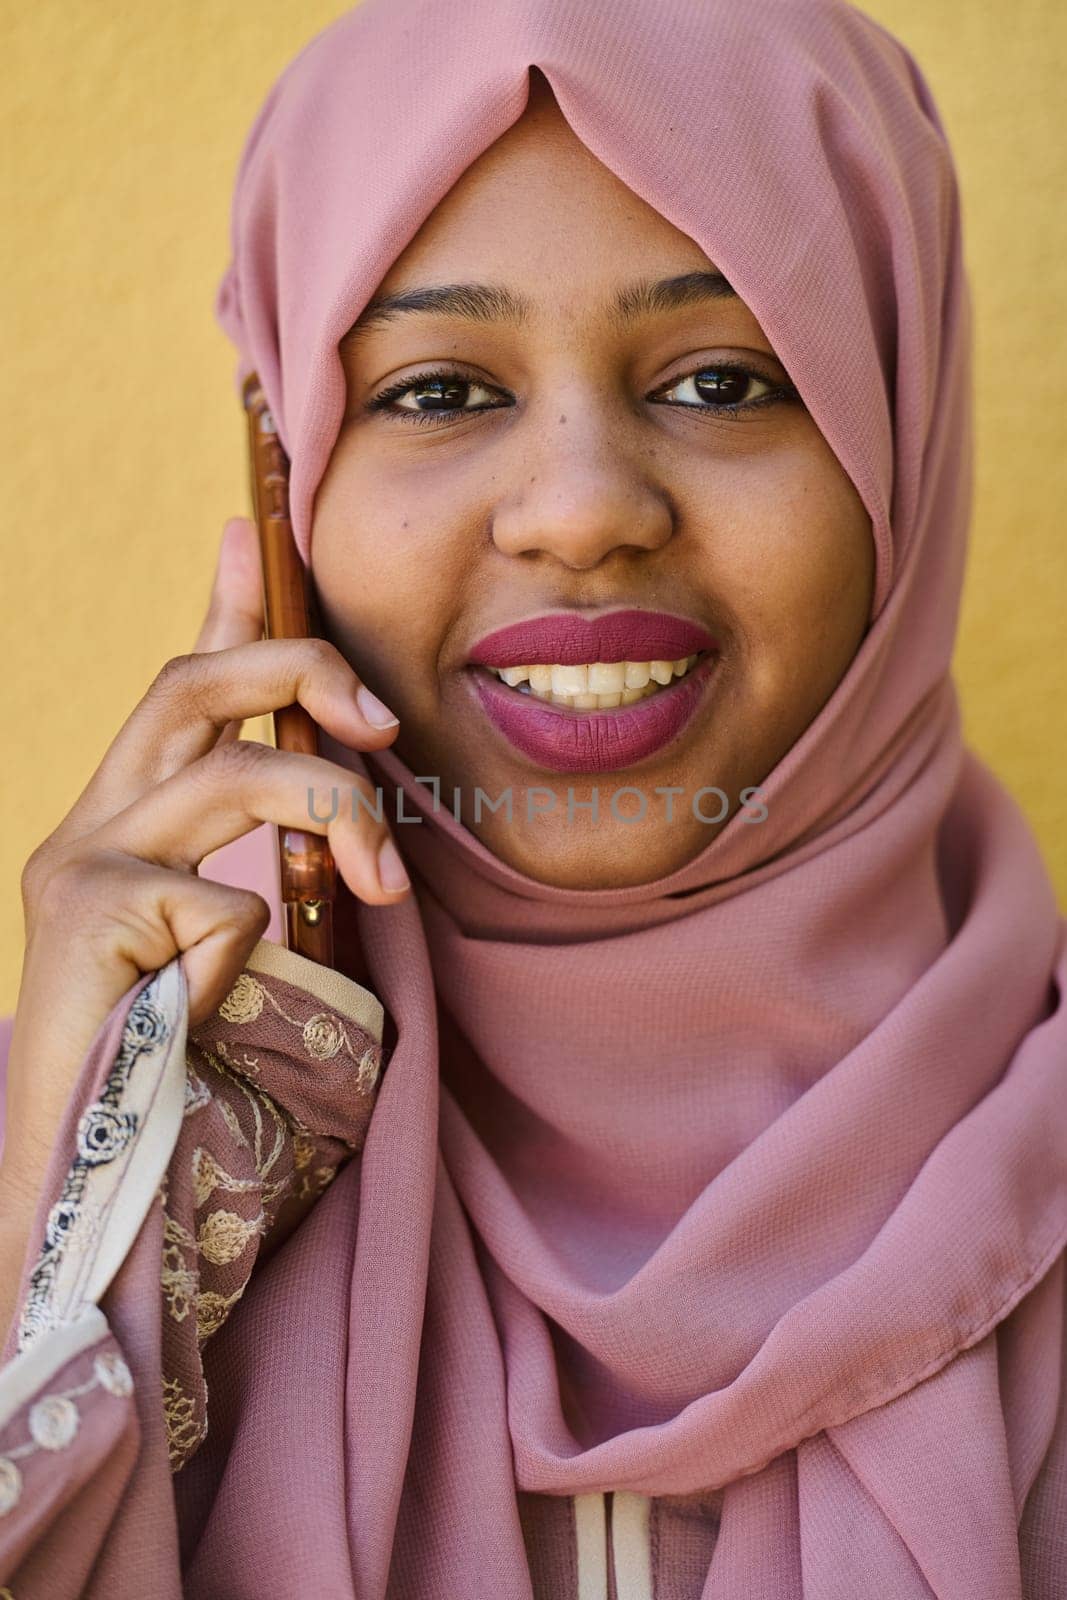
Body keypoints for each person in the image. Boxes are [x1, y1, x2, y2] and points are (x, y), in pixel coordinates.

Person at [1, 0, 1065, 1594]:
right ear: (286, 486)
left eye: (722, 380)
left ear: (900, 444)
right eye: (439, 391)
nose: (580, 513)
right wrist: (65, 1195)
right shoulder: (108, 1174)